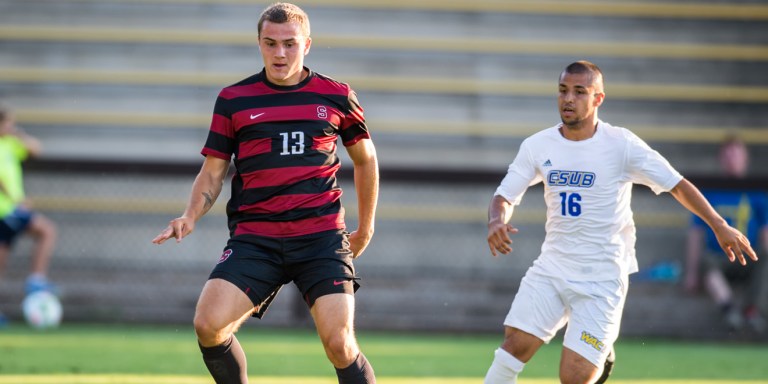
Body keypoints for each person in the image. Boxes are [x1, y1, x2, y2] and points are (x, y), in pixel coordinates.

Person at [484, 61, 757, 384]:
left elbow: (677, 184)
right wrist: (495, 221)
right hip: (553, 268)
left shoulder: (622, 145)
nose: (568, 99)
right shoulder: (537, 146)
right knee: (512, 349)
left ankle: (600, 359)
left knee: (574, 378)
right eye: (562, 91)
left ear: (598, 98)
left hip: (603, 279)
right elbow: (504, 196)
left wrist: (718, 224)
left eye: (579, 92)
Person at [151, 3, 378, 383]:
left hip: (320, 239)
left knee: (339, 343)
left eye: (289, 44)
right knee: (208, 325)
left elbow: (367, 161)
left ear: (307, 44)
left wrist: (366, 227)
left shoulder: (337, 96)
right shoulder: (234, 99)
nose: (280, 53)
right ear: (259, 43)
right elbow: (213, 171)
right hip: (256, 239)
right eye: (270, 43)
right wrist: (190, 215)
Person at [684, 136, 767, 333]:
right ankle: (730, 311)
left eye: (736, 154)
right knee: (706, 262)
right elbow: (696, 233)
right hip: (719, 257)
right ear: (721, 159)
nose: (732, 159)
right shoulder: (710, 191)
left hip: (748, 256)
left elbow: (765, 232)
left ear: (745, 158)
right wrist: (691, 273)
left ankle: (752, 311)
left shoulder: (757, 192)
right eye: (728, 155)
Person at [0, 105, 59, 324]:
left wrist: (16, 133)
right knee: (46, 230)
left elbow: (36, 149)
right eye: (8, 123)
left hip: (10, 211)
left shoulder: (8, 143)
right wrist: (16, 200)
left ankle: (36, 279)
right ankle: (36, 278)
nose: (11, 127)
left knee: (1, 261)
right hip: (7, 210)